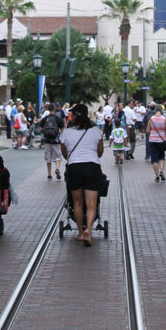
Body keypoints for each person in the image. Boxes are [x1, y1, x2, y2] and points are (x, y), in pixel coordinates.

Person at [60, 104, 105, 246]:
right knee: (91, 204)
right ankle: (89, 231)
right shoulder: (96, 131)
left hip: (74, 167)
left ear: (73, 116)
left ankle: (80, 232)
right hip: (92, 167)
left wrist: (73, 159)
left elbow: (64, 152)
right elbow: (100, 152)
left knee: (77, 203)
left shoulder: (66, 133)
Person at [40, 105, 66, 180]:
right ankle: (57, 168)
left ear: (48, 109)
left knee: (48, 157)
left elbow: (40, 129)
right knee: (57, 156)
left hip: (47, 140)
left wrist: (46, 132)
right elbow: (63, 130)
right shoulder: (58, 119)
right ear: (55, 109)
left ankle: (49, 174)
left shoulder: (45, 119)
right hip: (56, 140)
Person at [147, 106, 166, 182]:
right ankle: (161, 171)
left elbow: (147, 131)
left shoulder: (151, 119)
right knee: (161, 157)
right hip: (162, 140)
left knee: (154, 159)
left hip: (152, 140)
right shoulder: (164, 119)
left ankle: (157, 176)